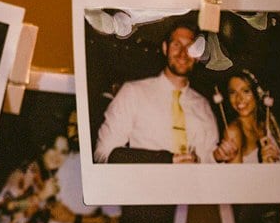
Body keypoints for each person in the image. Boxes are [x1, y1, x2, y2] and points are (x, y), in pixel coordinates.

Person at [93, 21, 220, 164]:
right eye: (176, 45)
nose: (183, 53)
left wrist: (217, 157)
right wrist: (165, 160)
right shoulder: (133, 93)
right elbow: (103, 154)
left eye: (190, 46)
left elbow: (209, 160)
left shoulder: (203, 105)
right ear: (165, 48)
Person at [216, 70, 280, 223]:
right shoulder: (234, 131)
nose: (239, 99)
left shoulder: (267, 124)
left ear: (257, 94)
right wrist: (262, 171)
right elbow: (237, 197)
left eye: (245, 91)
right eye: (233, 92)